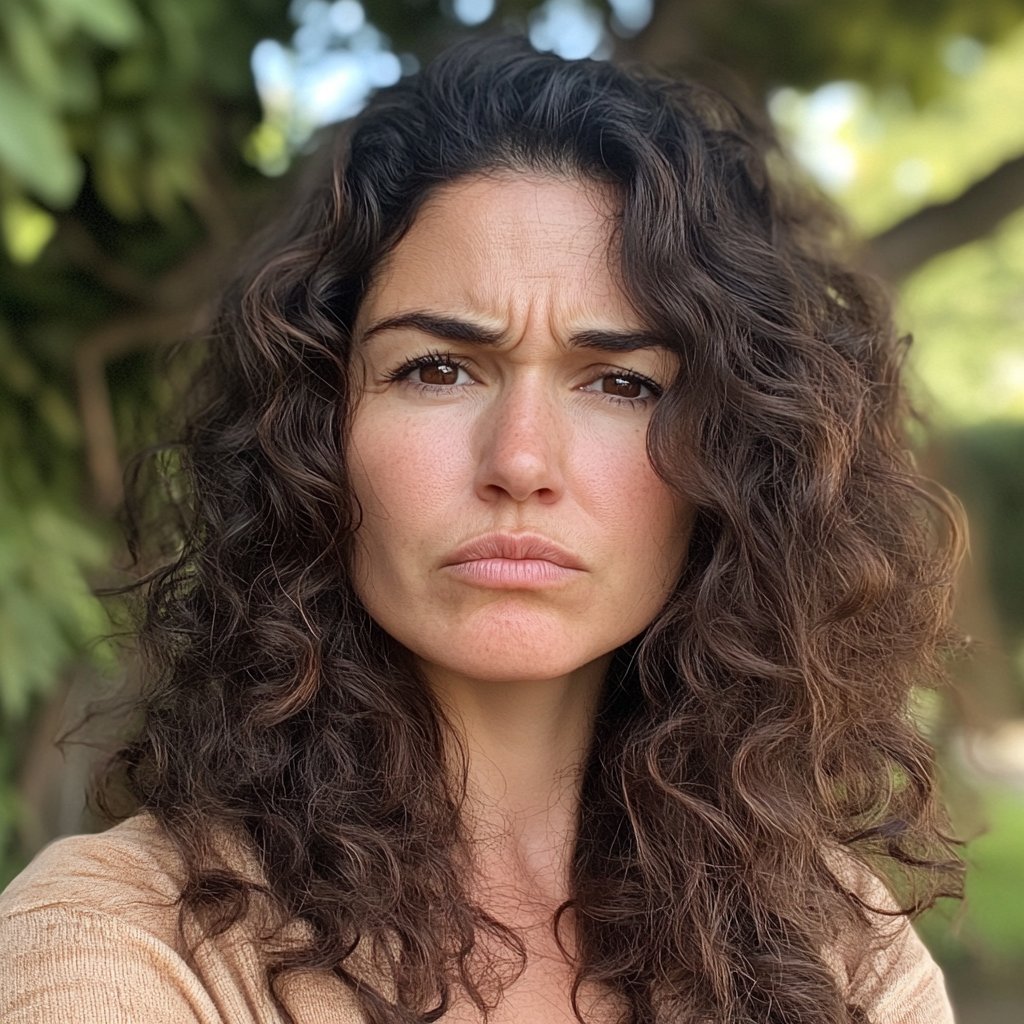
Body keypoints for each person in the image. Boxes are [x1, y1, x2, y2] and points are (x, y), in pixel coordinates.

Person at [0, 35, 964, 1024]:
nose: (520, 462)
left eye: (623, 383)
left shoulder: (839, 946)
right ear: (316, 430)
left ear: (736, 463)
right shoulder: (123, 938)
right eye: (436, 368)